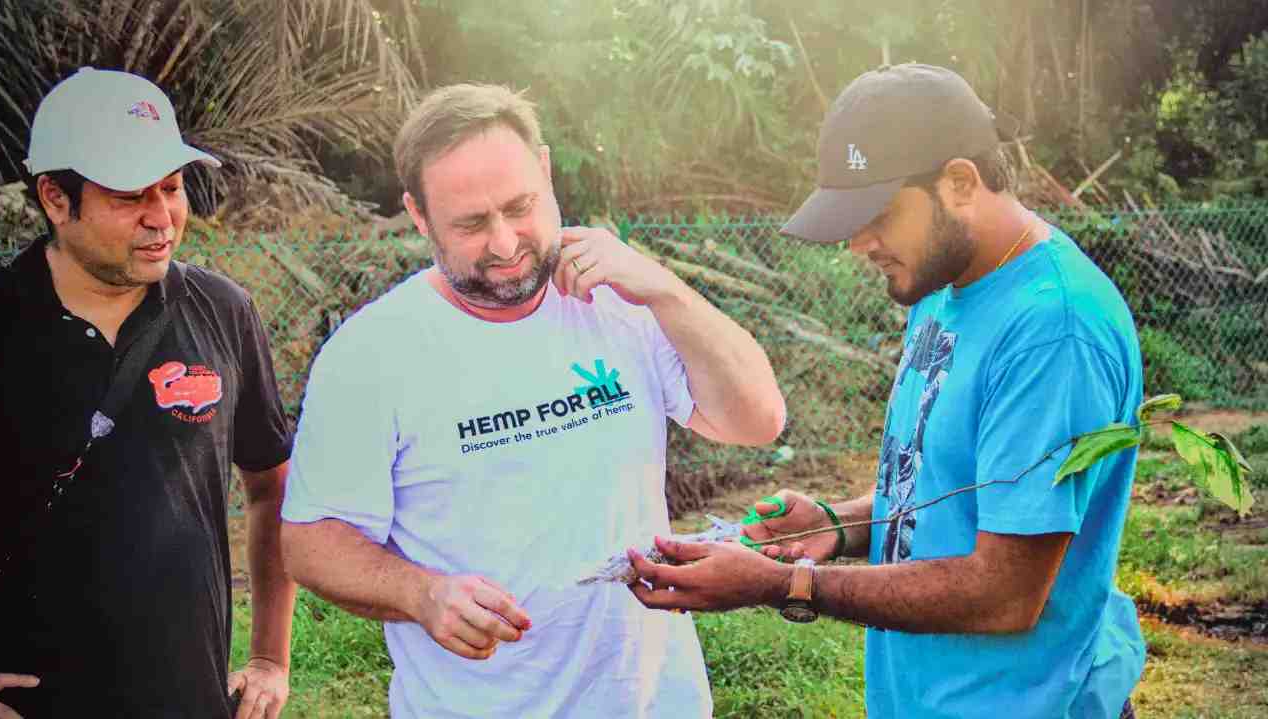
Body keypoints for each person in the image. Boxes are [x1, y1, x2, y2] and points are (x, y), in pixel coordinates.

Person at [627, 63, 1146, 719]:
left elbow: (1005, 591)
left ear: (960, 183)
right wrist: (838, 524)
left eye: (877, 214)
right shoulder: (943, 285)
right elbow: (951, 491)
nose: (857, 243)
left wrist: (787, 583)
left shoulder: (1053, 331)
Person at [279, 83, 786, 718]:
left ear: (545, 170)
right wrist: (420, 593)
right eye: (470, 223)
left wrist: (666, 292)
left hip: (657, 700)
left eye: (520, 206)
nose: (504, 243)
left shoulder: (621, 300)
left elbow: (758, 420)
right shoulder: (371, 355)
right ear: (417, 214)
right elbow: (310, 540)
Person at [0, 67, 297, 718]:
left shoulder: (222, 309)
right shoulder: (0, 321)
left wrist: (270, 655)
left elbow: (272, 484)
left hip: (191, 700)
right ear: (54, 198)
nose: (162, 218)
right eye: (131, 195)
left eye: (173, 187)